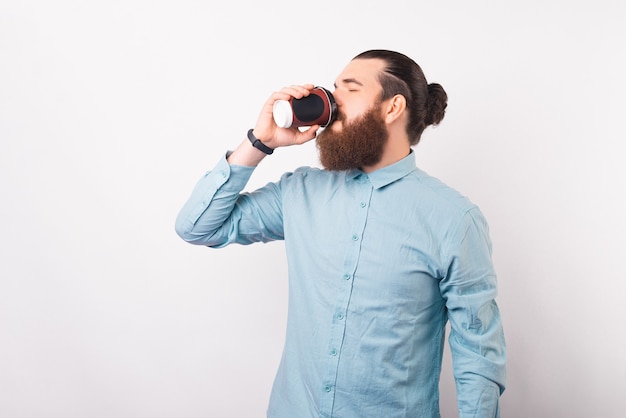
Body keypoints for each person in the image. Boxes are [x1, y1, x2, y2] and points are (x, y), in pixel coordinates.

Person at [175, 49, 506, 418]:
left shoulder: (454, 220)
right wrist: (260, 142)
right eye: (333, 88)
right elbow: (197, 226)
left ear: (392, 107)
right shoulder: (299, 193)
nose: (330, 99)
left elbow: (478, 354)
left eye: (349, 89)